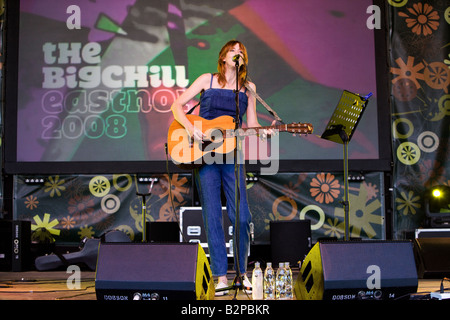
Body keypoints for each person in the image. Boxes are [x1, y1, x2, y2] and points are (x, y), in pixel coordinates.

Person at [171, 40, 268, 295]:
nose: (238, 53)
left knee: (242, 216)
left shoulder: (249, 88)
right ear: (223, 56)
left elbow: (251, 123)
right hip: (204, 155)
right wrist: (191, 128)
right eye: (233, 50)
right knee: (212, 215)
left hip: (233, 154)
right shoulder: (207, 80)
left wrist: (264, 132)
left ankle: (242, 273)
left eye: (242, 51)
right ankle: (220, 276)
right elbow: (176, 106)